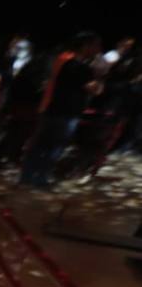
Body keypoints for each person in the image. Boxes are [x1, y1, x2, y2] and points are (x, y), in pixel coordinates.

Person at [20, 32, 103, 189]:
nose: (98, 50)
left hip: (52, 108)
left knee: (39, 145)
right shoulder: (81, 68)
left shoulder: (65, 62)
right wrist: (99, 78)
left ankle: (26, 178)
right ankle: (40, 179)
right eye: (95, 46)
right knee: (54, 147)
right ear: (86, 46)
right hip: (67, 113)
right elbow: (95, 89)